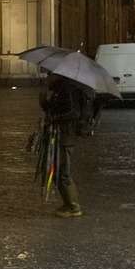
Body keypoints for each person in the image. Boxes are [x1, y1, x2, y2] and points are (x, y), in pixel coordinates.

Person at [40, 73, 88, 217]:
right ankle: (68, 203)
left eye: (50, 75)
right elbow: (56, 109)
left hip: (65, 136)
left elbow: (74, 112)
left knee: (63, 172)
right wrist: (44, 103)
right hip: (61, 134)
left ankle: (74, 206)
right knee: (58, 172)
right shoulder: (60, 90)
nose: (47, 78)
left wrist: (56, 119)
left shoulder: (68, 89)